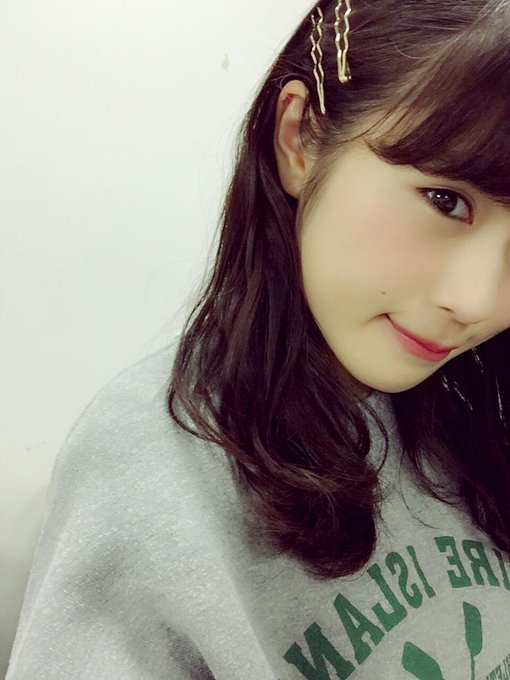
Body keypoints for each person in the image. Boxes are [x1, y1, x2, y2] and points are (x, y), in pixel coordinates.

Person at [6, 0, 510, 678]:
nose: (477, 302)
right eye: (446, 200)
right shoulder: (153, 466)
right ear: (300, 137)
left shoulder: (471, 408)